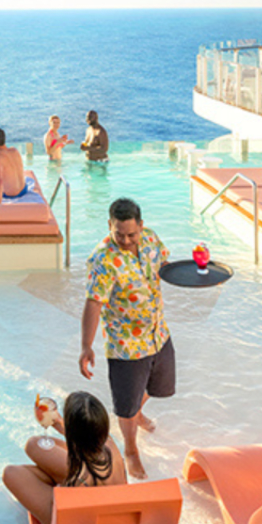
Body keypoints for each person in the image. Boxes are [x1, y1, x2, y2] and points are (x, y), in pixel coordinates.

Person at [79, 197, 171, 479]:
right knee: (125, 404)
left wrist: (199, 274)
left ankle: (136, 415)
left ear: (141, 226)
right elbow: (93, 303)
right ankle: (131, 449)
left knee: (159, 387)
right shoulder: (103, 260)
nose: (126, 240)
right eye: (119, 234)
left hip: (158, 333)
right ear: (110, 225)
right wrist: (86, 346)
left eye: (132, 234)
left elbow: (165, 266)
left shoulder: (150, 238)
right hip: (126, 346)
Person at [1, 391, 126, 524]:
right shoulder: (109, 443)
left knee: (11, 473)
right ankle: (54, 477)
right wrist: (60, 423)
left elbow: (64, 505)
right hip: (110, 506)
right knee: (34, 444)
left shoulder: (79, 479)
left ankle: (53, 480)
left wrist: (60, 491)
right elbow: (86, 437)